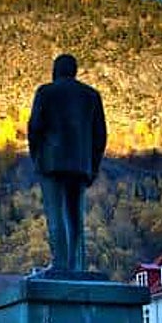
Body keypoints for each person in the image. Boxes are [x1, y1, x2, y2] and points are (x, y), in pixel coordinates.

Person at [26, 53, 108, 274]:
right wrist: (93, 167)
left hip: (51, 164)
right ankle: (76, 266)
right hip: (80, 166)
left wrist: (37, 158)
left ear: (55, 70)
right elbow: (100, 135)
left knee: (55, 214)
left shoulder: (46, 92)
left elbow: (34, 128)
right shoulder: (91, 96)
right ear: (74, 71)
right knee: (75, 217)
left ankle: (60, 264)